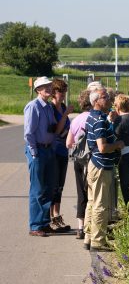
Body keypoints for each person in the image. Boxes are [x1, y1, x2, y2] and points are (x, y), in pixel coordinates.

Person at [83, 87, 124, 251]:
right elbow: (102, 147)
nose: (109, 99)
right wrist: (117, 145)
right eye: (104, 97)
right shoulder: (99, 120)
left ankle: (88, 236)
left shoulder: (93, 117)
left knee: (92, 203)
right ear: (96, 101)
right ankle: (98, 241)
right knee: (101, 204)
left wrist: (110, 121)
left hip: (94, 164)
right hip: (101, 165)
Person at [24, 77, 57, 237]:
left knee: (48, 187)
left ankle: (44, 223)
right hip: (37, 150)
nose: (48, 89)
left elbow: (52, 128)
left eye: (49, 86)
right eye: (44, 87)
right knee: (37, 189)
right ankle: (35, 225)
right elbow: (28, 133)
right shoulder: (33, 106)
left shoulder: (49, 107)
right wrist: (34, 153)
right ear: (37, 90)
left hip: (48, 149)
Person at [66, 89, 92, 240]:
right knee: (93, 193)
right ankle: (91, 226)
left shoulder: (75, 120)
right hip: (92, 159)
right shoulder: (96, 118)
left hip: (79, 160)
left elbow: (68, 143)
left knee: (81, 193)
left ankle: (80, 228)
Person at [49, 78, 74, 232]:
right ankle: (51, 216)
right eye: (60, 91)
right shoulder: (51, 108)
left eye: (64, 91)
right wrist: (65, 115)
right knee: (52, 184)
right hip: (54, 149)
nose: (63, 94)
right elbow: (57, 131)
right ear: (53, 92)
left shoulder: (63, 106)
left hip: (64, 149)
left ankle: (57, 215)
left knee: (60, 185)